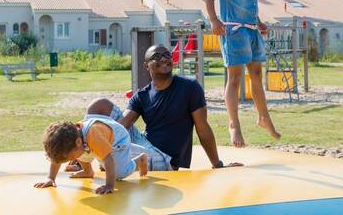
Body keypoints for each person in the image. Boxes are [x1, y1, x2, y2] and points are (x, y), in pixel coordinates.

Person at [87, 44, 241, 171]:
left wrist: (217, 165)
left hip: (163, 159)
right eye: (156, 57)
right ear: (146, 65)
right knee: (100, 105)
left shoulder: (190, 88)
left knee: (111, 150)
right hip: (144, 145)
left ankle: (107, 159)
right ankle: (85, 159)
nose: (163, 59)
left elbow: (203, 129)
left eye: (167, 55)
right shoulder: (142, 95)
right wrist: (97, 139)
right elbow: (122, 126)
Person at [201, 0, 281, 148]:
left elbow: (249, 5)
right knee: (234, 78)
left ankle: (263, 117)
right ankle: (234, 124)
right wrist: (214, 21)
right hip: (234, 32)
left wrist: (259, 21)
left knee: (256, 74)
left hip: (252, 31)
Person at [34, 116, 148, 195]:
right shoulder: (73, 139)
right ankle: (88, 171)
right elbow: (57, 159)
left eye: (69, 158)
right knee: (78, 153)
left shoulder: (93, 137)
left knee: (119, 173)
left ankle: (140, 160)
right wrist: (50, 178)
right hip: (97, 139)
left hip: (118, 141)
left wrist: (109, 185)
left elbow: (109, 161)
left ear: (78, 142)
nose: (70, 160)